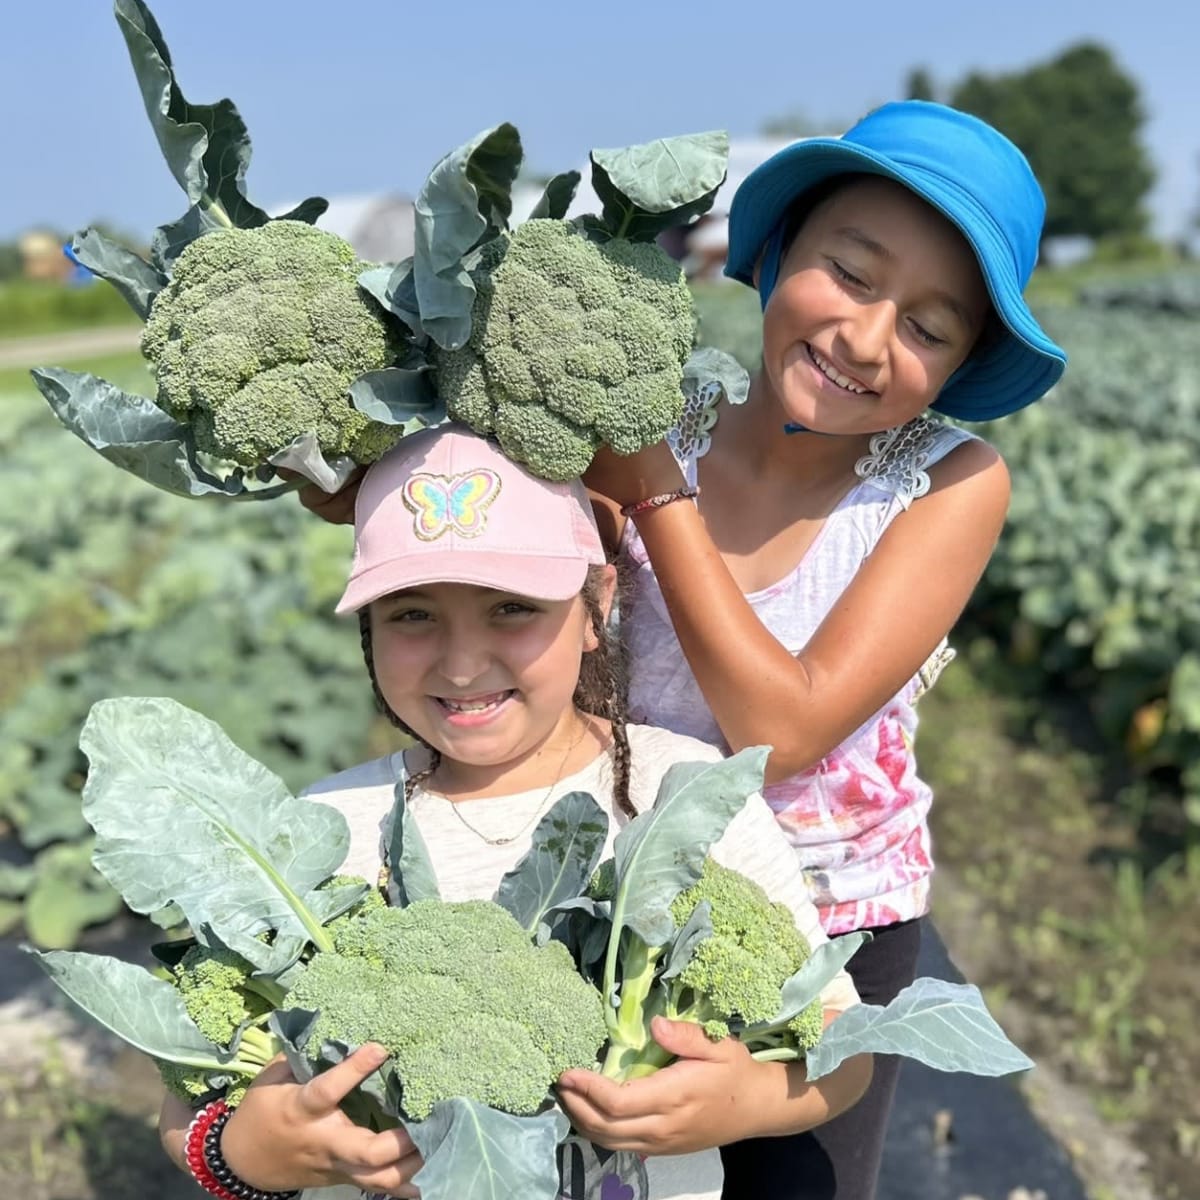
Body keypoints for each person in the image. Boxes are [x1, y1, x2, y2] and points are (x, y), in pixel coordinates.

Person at [159, 423, 871, 1200]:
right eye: (412, 614)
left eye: (510, 608)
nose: (462, 664)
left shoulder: (688, 793)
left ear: (596, 603)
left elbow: (845, 1047)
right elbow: (186, 1093)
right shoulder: (323, 832)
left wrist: (746, 1099)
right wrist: (244, 1153)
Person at [580, 100, 1067, 1200]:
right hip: (614, 893)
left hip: (824, 929)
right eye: (850, 272)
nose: (864, 338)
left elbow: (784, 730)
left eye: (929, 328)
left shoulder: (949, 483)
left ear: (959, 367)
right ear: (778, 251)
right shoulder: (664, 408)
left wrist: (656, 492)